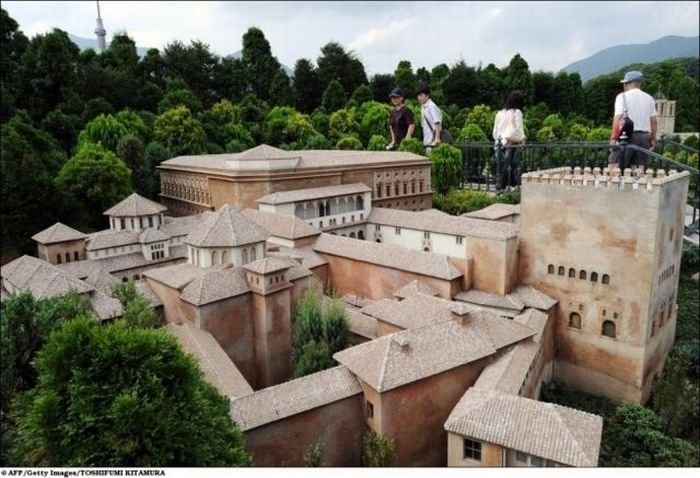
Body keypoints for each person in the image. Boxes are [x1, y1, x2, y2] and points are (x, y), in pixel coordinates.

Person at [609, 70, 658, 172]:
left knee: (615, 168)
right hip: (644, 138)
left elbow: (618, 118)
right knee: (638, 170)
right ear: (639, 84)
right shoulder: (649, 98)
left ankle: (615, 186)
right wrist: (653, 138)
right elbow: (654, 121)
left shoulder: (622, 96)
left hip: (626, 137)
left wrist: (613, 138)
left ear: (627, 83)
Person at [492, 90, 526, 191]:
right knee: (509, 166)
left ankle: (508, 186)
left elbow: (495, 132)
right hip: (510, 143)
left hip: (499, 143)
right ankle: (504, 187)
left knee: (504, 166)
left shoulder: (499, 113)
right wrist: (523, 139)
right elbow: (519, 129)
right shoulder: (517, 112)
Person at [415, 82, 442, 154]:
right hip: (427, 141)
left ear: (427, 95)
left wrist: (437, 138)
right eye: (418, 96)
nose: (419, 98)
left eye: (421, 95)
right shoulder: (423, 107)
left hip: (433, 142)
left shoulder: (431, 106)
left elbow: (437, 122)